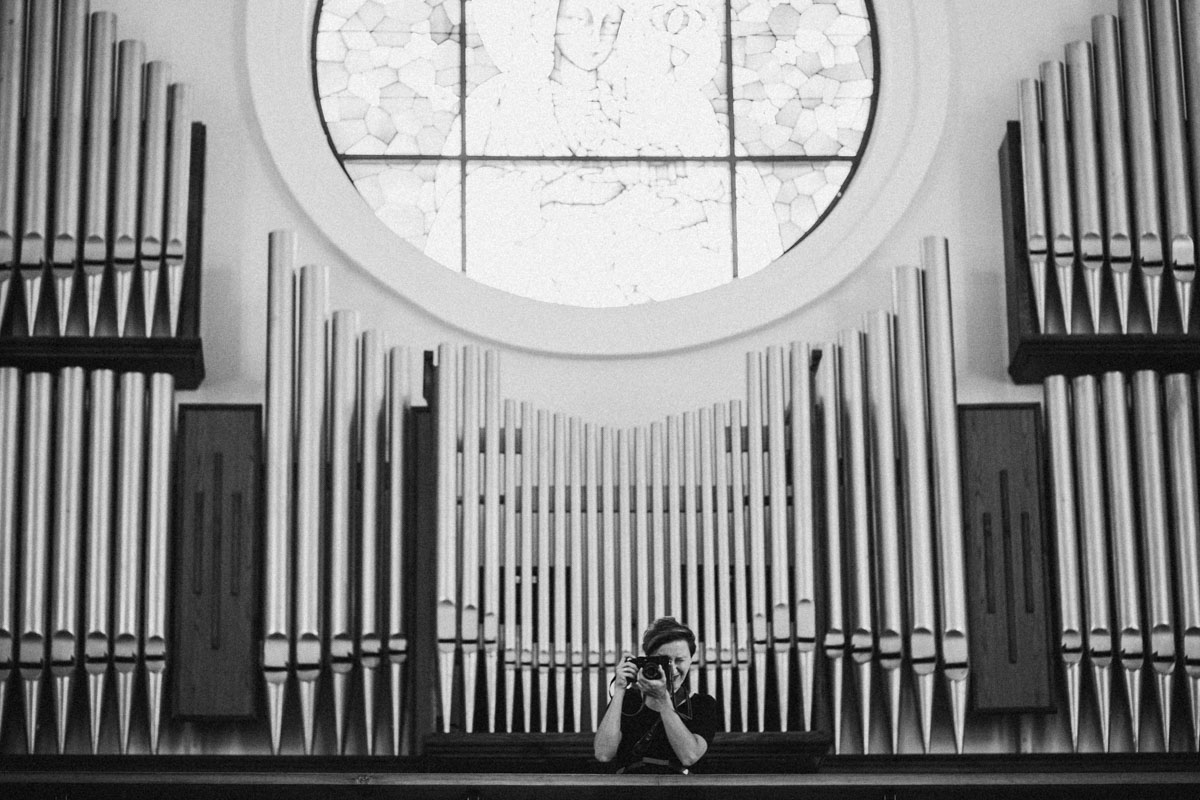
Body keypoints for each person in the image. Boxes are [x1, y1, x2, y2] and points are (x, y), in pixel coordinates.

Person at [593, 617, 721, 774]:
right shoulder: (629, 701)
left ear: (690, 660)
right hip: (631, 785)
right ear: (650, 660)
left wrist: (662, 699)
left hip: (680, 787)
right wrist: (619, 689)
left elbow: (689, 756)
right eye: (665, 661)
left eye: (680, 660)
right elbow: (603, 754)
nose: (673, 669)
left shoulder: (702, 704)